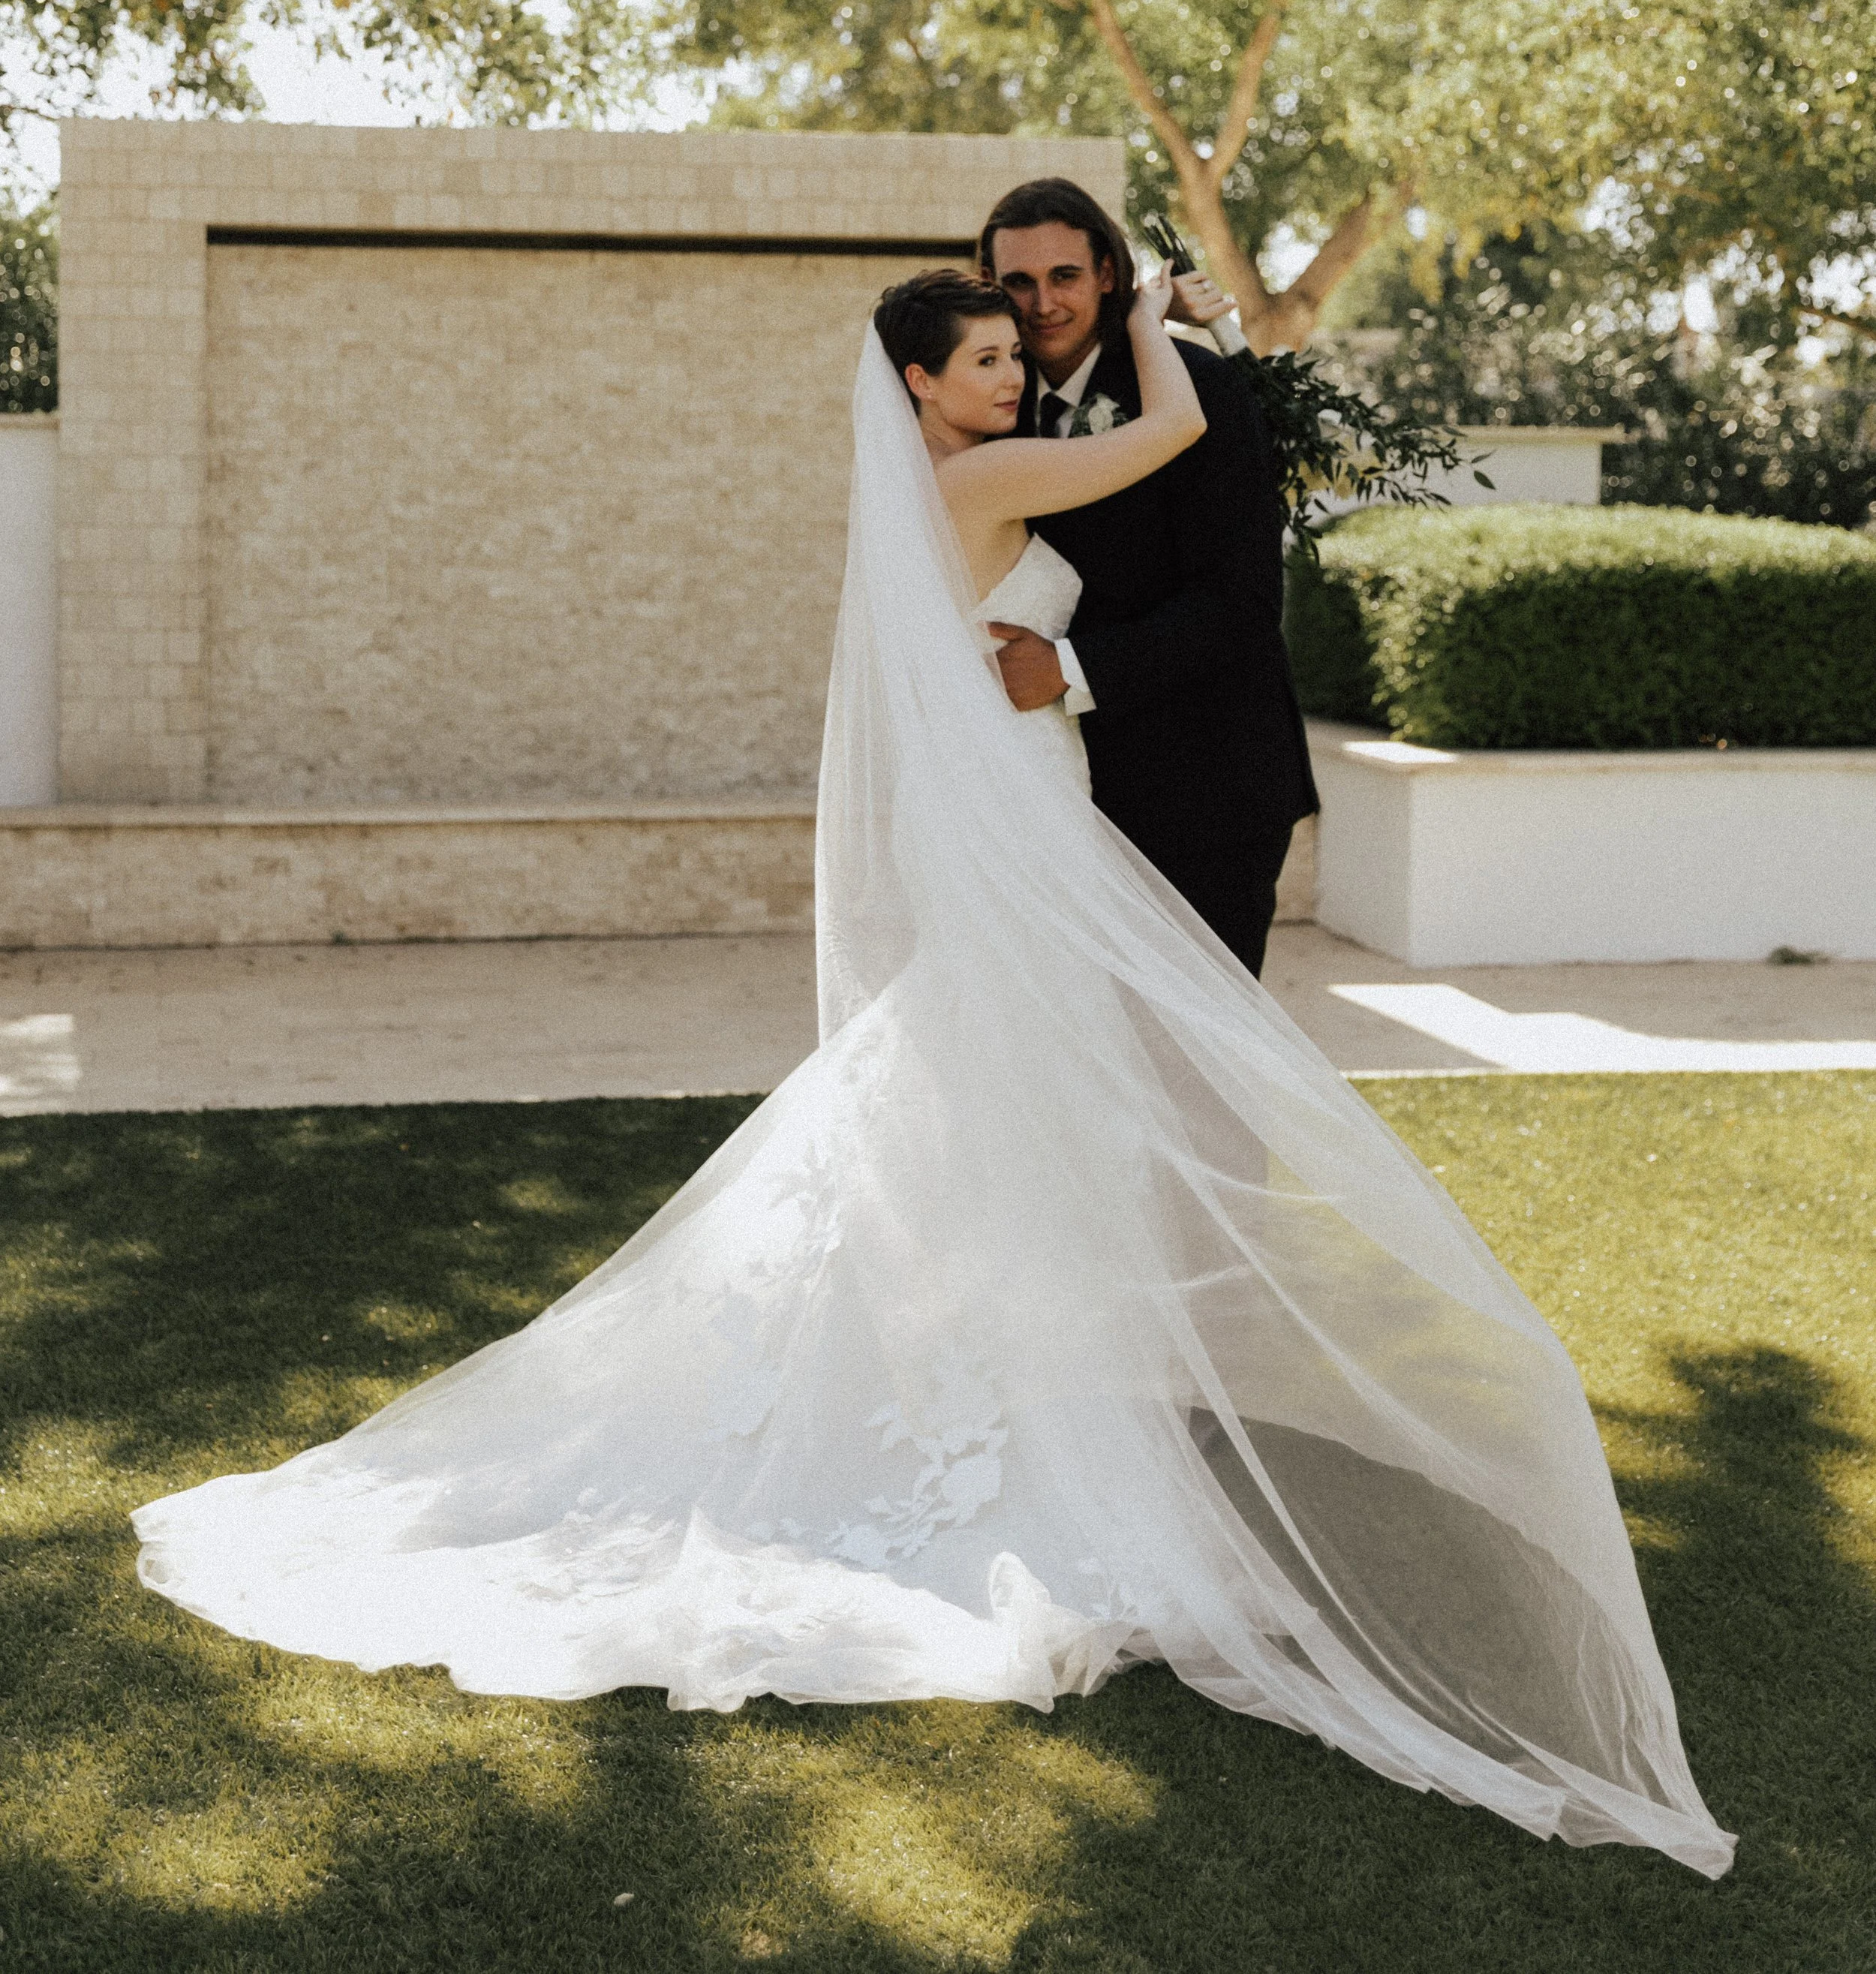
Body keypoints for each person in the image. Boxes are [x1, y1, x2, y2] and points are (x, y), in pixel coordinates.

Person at [132, 271, 1733, 1878]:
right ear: (915, 383)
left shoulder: (937, 485)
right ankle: (1007, 1422)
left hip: (1016, 815)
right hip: (1020, 828)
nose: (1012, 377)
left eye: (1010, 356)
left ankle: (996, 1390)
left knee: (985, 1117)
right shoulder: (979, 481)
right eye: (982, 361)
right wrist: (1169, 322)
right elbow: (1170, 430)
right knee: (1017, 1108)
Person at [978, 178, 1315, 976]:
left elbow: (1242, 601)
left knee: (1200, 1072)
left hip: (1208, 785)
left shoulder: (1201, 391)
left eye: (1062, 276)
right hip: (1059, 791)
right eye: (1016, 283)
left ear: (1105, 274)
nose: (1041, 304)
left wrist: (1064, 670)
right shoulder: (994, 404)